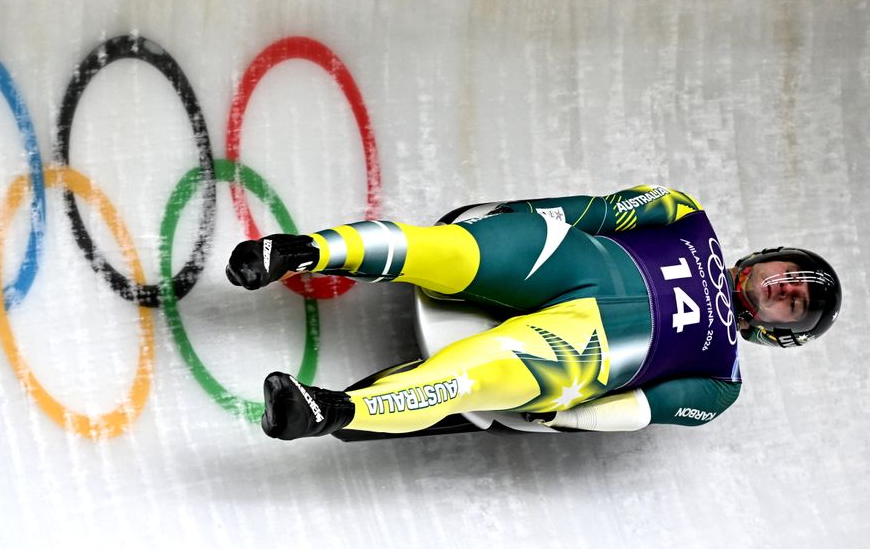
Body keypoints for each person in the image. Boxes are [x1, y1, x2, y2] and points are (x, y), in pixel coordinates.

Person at [226, 185, 842, 441]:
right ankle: (300, 251)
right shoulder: (686, 213)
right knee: (449, 250)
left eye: (794, 303)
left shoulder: (721, 380)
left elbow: (637, 411)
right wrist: (513, 213)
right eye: (786, 275)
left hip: (589, 349)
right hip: (574, 260)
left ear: (778, 333)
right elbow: (596, 209)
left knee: (470, 376)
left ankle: (331, 410)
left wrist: (564, 419)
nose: (783, 289)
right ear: (763, 259)